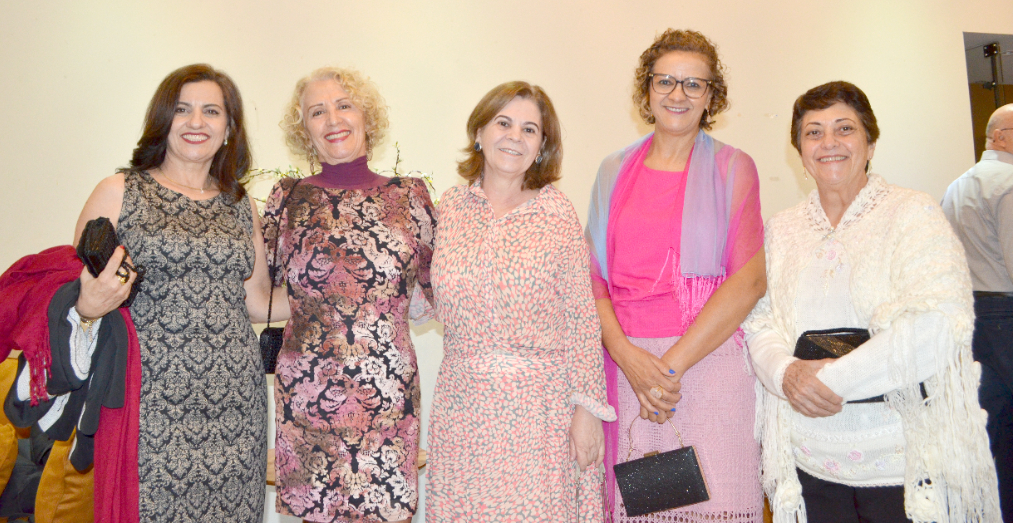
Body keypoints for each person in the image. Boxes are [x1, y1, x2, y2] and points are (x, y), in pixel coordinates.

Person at [745, 81, 1000, 523]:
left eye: (844, 128)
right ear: (798, 150)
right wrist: (785, 375)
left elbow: (939, 321)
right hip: (809, 458)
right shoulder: (780, 230)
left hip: (900, 460)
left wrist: (834, 381)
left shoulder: (912, 213)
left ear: (871, 142)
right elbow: (759, 321)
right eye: (813, 132)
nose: (829, 143)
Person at [70, 63, 270, 522]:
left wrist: (340, 290)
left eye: (211, 111)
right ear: (164, 120)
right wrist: (86, 306)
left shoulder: (241, 204)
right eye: (182, 110)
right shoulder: (119, 190)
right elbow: (74, 292)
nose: (196, 122)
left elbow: (257, 302)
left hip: (237, 405)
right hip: (148, 400)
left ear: (228, 127)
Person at [586, 29, 766, 522]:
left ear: (712, 96)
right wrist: (631, 359)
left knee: (716, 508)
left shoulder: (734, 168)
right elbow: (592, 278)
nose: (677, 94)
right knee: (645, 510)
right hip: (628, 370)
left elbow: (748, 281)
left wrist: (667, 370)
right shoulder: (612, 170)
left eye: (693, 84)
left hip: (706, 367)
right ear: (647, 90)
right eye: (665, 81)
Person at [425, 81, 614, 522]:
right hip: (463, 408)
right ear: (479, 132)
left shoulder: (556, 213)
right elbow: (427, 295)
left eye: (530, 130)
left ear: (542, 146)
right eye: (503, 123)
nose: (515, 136)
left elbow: (581, 319)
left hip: (539, 413)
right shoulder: (449, 208)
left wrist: (588, 411)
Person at [262, 66, 435, 523]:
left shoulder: (410, 198)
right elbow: (262, 295)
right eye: (317, 112)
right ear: (305, 130)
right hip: (308, 404)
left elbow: (445, 291)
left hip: (386, 403)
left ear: (366, 116)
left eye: (344, 105)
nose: (332, 119)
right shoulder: (287, 200)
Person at [942, 102, 1013, 522]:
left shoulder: (958, 185)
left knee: (992, 434)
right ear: (1000, 135)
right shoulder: (1008, 181)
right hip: (1005, 317)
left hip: (970, 319)